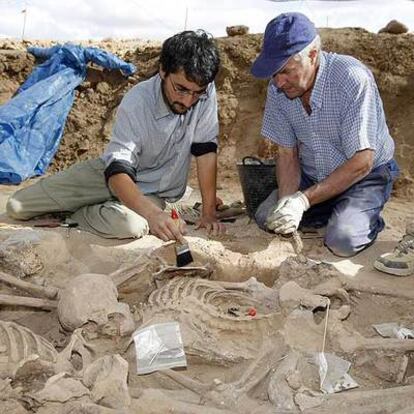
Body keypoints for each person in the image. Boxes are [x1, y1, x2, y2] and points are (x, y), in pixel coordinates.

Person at [6, 30, 225, 241]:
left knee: (130, 226)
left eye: (197, 93)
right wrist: (153, 215)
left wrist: (208, 213)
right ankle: (92, 204)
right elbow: (117, 167)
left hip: (154, 191)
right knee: (17, 207)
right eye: (181, 89)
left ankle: (78, 213)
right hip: (109, 176)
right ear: (163, 71)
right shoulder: (138, 101)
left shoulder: (205, 90)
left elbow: (205, 150)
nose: (188, 101)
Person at [251, 12, 399, 257]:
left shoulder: (351, 79)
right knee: (268, 217)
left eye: (286, 71)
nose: (279, 82)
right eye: (274, 74)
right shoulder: (278, 89)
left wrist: (304, 201)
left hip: (364, 177)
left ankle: (360, 217)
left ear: (312, 55)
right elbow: (287, 153)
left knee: (343, 239)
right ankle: (333, 210)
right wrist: (289, 204)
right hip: (314, 176)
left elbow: (363, 161)